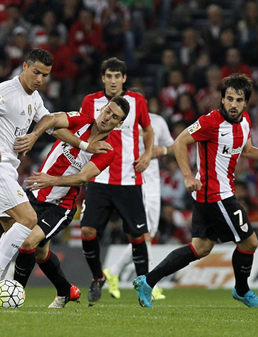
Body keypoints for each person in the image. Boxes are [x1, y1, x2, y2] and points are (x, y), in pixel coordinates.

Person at [0, 49, 110, 307]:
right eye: (36, 72)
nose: (40, 79)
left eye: (45, 75)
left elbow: (50, 123)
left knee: (16, 232)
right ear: (24, 66)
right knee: (29, 219)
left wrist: (80, 145)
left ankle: (4, 294)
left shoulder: (34, 98)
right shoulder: (7, 91)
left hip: (7, 170)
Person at [134, 73, 258, 308]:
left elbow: (245, 149)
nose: (233, 104)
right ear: (222, 99)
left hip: (215, 194)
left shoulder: (244, 121)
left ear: (246, 102)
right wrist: (187, 176)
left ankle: (148, 281)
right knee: (250, 243)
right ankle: (242, 290)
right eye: (229, 98)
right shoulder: (210, 122)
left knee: (201, 247)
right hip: (216, 195)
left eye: (238, 99)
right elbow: (179, 142)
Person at [13, 96, 130, 308]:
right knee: (40, 252)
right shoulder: (82, 120)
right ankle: (66, 291)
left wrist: (53, 180)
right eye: (107, 111)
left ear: (119, 124)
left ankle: (14, 295)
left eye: (114, 117)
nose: (107, 118)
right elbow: (50, 119)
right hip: (36, 195)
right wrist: (34, 135)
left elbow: (84, 177)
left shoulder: (107, 149)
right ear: (102, 108)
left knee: (28, 242)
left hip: (61, 205)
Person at [79, 57, 154, 303]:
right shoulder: (90, 101)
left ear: (124, 79)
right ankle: (97, 277)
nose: (112, 81)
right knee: (88, 229)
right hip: (99, 178)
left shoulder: (138, 101)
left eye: (117, 76)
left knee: (136, 236)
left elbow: (148, 129)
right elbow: (81, 130)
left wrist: (147, 152)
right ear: (103, 78)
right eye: (108, 76)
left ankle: (144, 285)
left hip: (129, 179)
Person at [103, 92, 174, 300]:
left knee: (148, 233)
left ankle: (114, 271)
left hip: (153, 182)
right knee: (144, 234)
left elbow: (172, 146)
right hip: (133, 181)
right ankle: (150, 282)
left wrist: (157, 151)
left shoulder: (158, 122)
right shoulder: (123, 123)